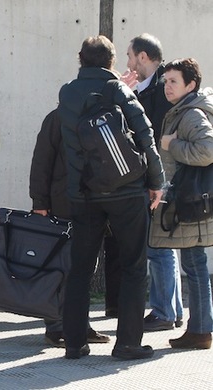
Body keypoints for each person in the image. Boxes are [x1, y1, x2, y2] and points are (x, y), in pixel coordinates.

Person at [57, 35, 165, 360]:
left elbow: (70, 146)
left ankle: (74, 343)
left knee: (79, 269)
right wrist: (157, 181)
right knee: (133, 266)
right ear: (112, 61)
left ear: (80, 58)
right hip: (127, 191)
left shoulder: (67, 93)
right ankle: (128, 344)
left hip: (85, 194)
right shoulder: (117, 90)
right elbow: (144, 134)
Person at [29, 108, 111, 347]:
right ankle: (55, 327)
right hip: (61, 205)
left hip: (93, 204)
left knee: (85, 269)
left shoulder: (103, 115)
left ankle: (79, 326)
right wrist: (39, 202)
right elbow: (41, 160)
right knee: (60, 269)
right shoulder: (57, 117)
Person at [149, 58, 213, 349]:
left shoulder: (191, 114)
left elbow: (207, 151)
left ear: (191, 84)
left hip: (192, 202)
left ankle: (200, 330)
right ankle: (198, 328)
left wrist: (170, 144)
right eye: (166, 81)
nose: (167, 86)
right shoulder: (183, 110)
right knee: (194, 264)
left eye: (174, 81)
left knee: (195, 265)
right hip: (190, 201)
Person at [125, 33, 183, 332]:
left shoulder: (162, 90)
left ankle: (164, 312)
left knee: (159, 248)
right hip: (156, 180)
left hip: (160, 181)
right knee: (162, 247)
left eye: (130, 56)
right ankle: (170, 310)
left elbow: (153, 140)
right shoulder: (147, 89)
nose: (128, 62)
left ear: (143, 58)